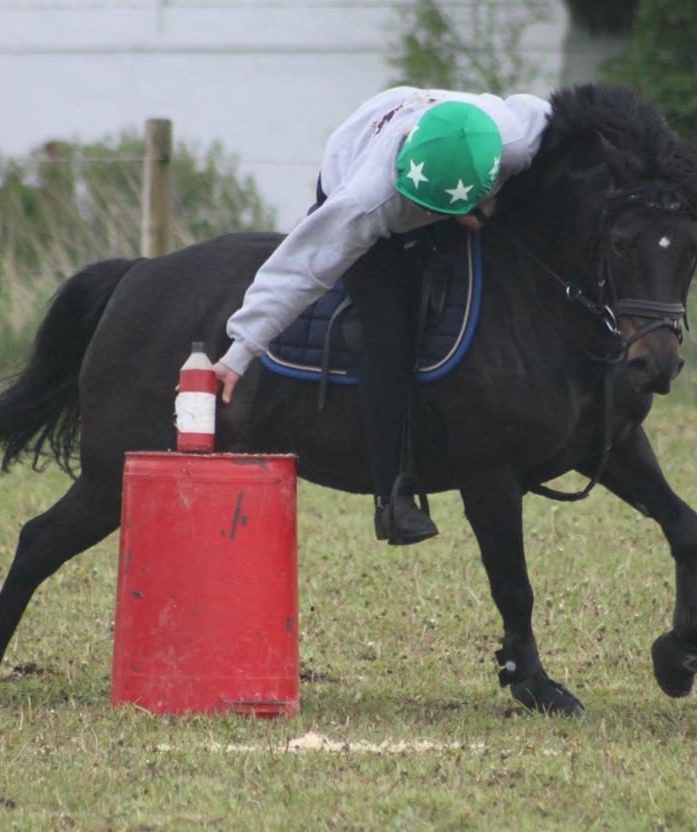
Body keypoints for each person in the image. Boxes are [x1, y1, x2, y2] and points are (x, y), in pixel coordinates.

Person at [213, 86, 552, 545]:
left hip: (461, 164)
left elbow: (558, 124)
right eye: (425, 208)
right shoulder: (366, 197)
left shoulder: (519, 138)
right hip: (362, 167)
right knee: (388, 335)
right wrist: (240, 350)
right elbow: (301, 266)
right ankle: (392, 496)